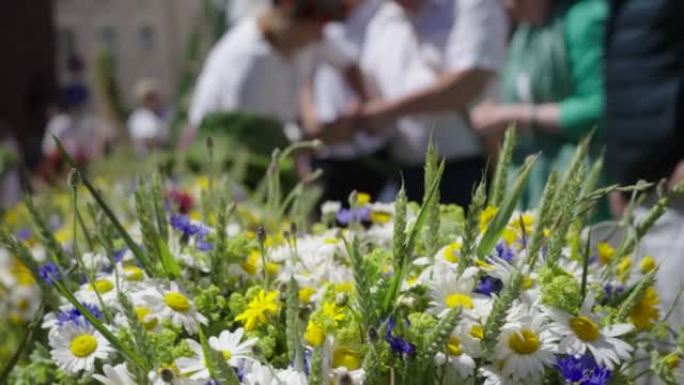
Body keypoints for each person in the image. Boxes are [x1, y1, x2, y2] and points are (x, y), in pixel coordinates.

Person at [358, 0, 508, 206]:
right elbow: (368, 86)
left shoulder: (472, 5)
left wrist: (387, 111)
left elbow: (469, 81)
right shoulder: (381, 19)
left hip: (464, 172)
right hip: (401, 173)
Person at [471, 0, 608, 215]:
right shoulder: (523, 31)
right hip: (529, 184)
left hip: (577, 182)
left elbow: (598, 108)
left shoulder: (583, 19)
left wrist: (521, 116)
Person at [604, 0, 684, 334]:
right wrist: (618, 175)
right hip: (638, 190)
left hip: (675, 189)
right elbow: (619, 86)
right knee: (650, 336)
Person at [185, 0, 365, 146]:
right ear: (288, 11)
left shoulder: (306, 39)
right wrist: (320, 138)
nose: (321, 34)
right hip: (217, 152)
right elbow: (249, 140)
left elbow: (349, 65)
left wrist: (357, 103)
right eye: (319, 23)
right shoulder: (249, 61)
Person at [299, 0, 389, 203]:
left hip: (371, 147)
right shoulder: (319, 11)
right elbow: (305, 70)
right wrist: (310, 119)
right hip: (324, 148)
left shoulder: (383, 13)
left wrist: (363, 104)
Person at [127, 78, 170, 155]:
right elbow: (139, 141)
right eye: (149, 98)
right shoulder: (138, 118)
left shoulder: (165, 113)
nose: (153, 101)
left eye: (154, 96)